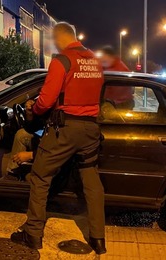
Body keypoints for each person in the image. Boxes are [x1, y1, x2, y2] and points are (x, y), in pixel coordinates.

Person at [10, 22, 106, 255]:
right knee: (91, 181)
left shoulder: (62, 60)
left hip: (66, 128)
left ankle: (32, 234)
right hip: (91, 128)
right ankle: (98, 239)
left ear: (60, 38)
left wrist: (36, 108)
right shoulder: (95, 61)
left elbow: (46, 99)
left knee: (40, 176)